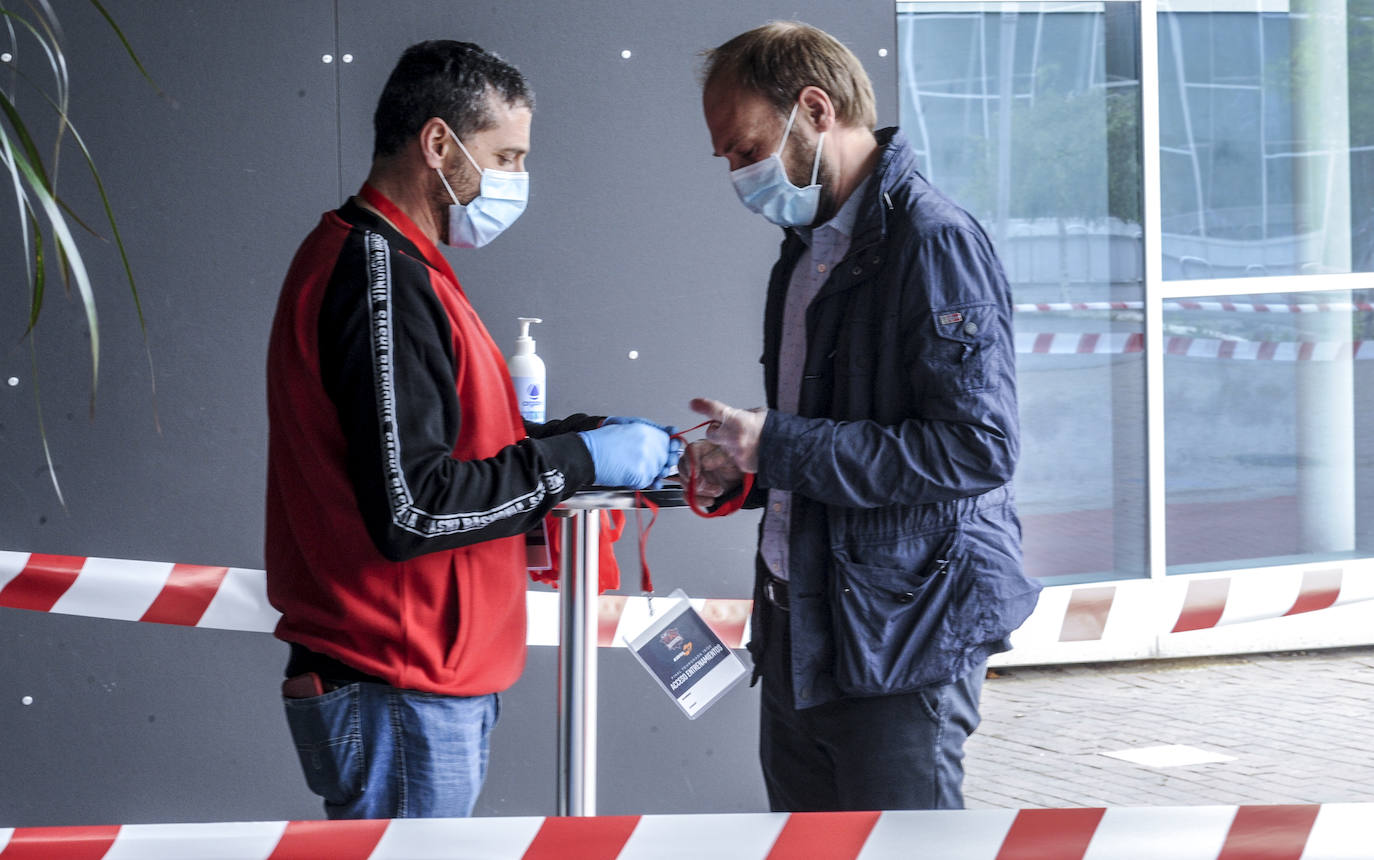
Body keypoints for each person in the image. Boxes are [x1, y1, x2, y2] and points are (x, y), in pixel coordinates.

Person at [264, 40, 676, 819]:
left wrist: (579, 439)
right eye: (507, 156)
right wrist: (575, 461)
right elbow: (414, 505)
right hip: (396, 685)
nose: (517, 179)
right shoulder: (374, 275)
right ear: (439, 144)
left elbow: (452, 443)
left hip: (419, 684)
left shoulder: (404, 270)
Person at [683, 22, 1042, 812]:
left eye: (745, 150)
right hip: (801, 631)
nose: (739, 175)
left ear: (815, 109)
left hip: (902, 638)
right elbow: (828, 433)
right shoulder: (806, 248)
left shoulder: (934, 242)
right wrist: (746, 462)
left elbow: (976, 449)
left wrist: (775, 440)